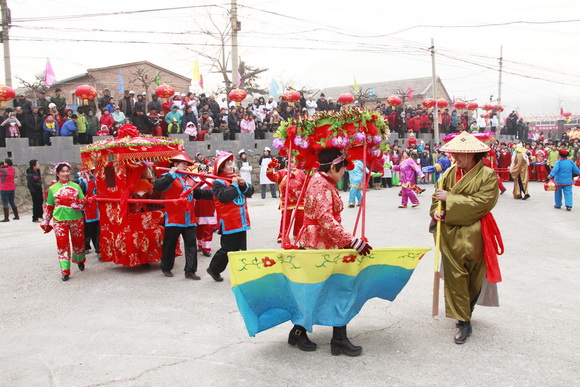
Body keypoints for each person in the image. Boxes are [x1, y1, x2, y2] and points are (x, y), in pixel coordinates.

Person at [293, 147, 372, 356]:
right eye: (342, 168)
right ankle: (301, 332)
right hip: (316, 245)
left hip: (327, 243)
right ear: (334, 167)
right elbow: (325, 220)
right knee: (319, 291)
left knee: (335, 289)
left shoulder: (326, 182)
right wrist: (351, 241)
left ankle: (337, 338)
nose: (345, 172)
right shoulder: (320, 184)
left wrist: (346, 241)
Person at [430, 131, 501, 344]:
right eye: (453, 153)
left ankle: (466, 310)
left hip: (476, 232)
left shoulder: (487, 175)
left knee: (475, 276)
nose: (455, 157)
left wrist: (449, 199)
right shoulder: (448, 173)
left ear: (472, 155)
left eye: (459, 154)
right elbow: (436, 197)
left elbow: (483, 202)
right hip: (450, 233)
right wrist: (436, 210)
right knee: (455, 276)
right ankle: (463, 320)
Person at [153, 153, 214, 280]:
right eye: (183, 164)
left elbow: (198, 193)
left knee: (191, 245)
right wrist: (171, 174)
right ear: (175, 164)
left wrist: (217, 193)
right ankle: (166, 267)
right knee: (170, 244)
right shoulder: (168, 176)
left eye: (187, 164)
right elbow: (158, 186)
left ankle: (190, 270)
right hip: (174, 218)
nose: (186, 166)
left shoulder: (191, 179)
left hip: (189, 219)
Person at [206, 152, 254, 282]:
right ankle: (214, 268)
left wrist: (243, 185)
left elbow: (250, 192)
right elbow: (223, 197)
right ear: (221, 167)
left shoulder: (237, 178)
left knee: (241, 249)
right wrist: (234, 185)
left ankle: (241, 272)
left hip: (241, 220)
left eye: (231, 163)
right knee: (228, 249)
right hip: (229, 221)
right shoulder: (218, 183)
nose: (231, 165)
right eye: (228, 164)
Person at [41, 162, 86, 281]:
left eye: (67, 171)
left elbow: (83, 201)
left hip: (76, 218)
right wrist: (46, 220)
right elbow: (49, 205)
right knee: (62, 244)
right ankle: (65, 270)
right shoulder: (53, 188)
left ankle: (80, 259)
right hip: (59, 220)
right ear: (57, 173)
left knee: (78, 241)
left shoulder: (76, 186)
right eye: (62, 171)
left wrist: (79, 206)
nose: (65, 174)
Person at [266, 157, 307, 243]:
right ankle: (283, 235)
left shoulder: (301, 173)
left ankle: (298, 234)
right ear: (287, 162)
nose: (292, 164)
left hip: (300, 200)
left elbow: (306, 184)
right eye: (290, 162)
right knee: (285, 218)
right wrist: (270, 169)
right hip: (287, 200)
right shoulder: (281, 172)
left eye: (294, 162)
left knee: (300, 217)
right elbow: (272, 177)